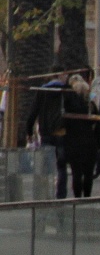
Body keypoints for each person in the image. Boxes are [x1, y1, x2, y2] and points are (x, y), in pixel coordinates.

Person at [22, 66, 71, 199]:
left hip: (46, 133)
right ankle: (61, 195)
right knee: (61, 166)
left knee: (45, 166)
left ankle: (45, 195)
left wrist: (29, 131)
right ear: (61, 75)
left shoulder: (43, 90)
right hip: (62, 132)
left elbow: (33, 112)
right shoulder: (67, 90)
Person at [63, 75, 99, 198]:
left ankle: (77, 197)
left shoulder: (70, 107)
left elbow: (66, 124)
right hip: (90, 143)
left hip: (74, 144)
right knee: (88, 174)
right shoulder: (91, 106)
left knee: (76, 173)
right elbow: (98, 124)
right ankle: (87, 196)